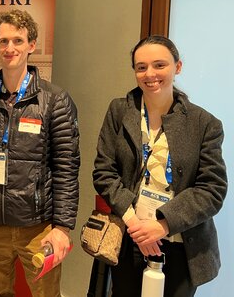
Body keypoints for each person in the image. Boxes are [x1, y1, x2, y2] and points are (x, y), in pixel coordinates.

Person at [92, 35, 227, 297]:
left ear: (177, 67)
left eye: (159, 65)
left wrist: (162, 225)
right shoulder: (120, 111)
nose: (149, 74)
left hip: (181, 244)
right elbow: (103, 172)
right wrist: (135, 224)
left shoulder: (205, 124)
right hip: (130, 238)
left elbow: (212, 189)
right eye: (141, 67)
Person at [0, 9, 80, 297]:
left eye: (18, 40)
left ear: (32, 45)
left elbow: (66, 168)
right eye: (3, 42)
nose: (10, 48)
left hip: (38, 226)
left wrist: (63, 227)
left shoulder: (55, 100)